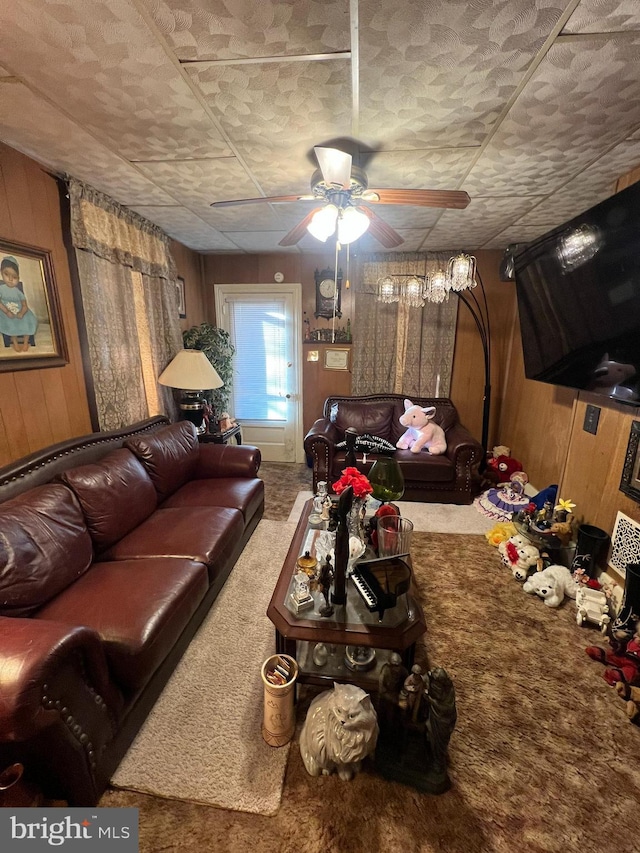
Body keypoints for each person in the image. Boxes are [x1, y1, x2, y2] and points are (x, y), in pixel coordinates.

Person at [0, 256, 38, 353]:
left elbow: (24, 305)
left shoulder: (18, 291)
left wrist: (22, 312)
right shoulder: (1, 289)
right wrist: (7, 311)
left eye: (14, 277)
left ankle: (25, 342)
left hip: (20, 310)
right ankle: (15, 342)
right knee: (11, 321)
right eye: (6, 274)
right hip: (5, 311)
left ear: (18, 278)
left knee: (29, 319)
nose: (10, 279)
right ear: (1, 274)